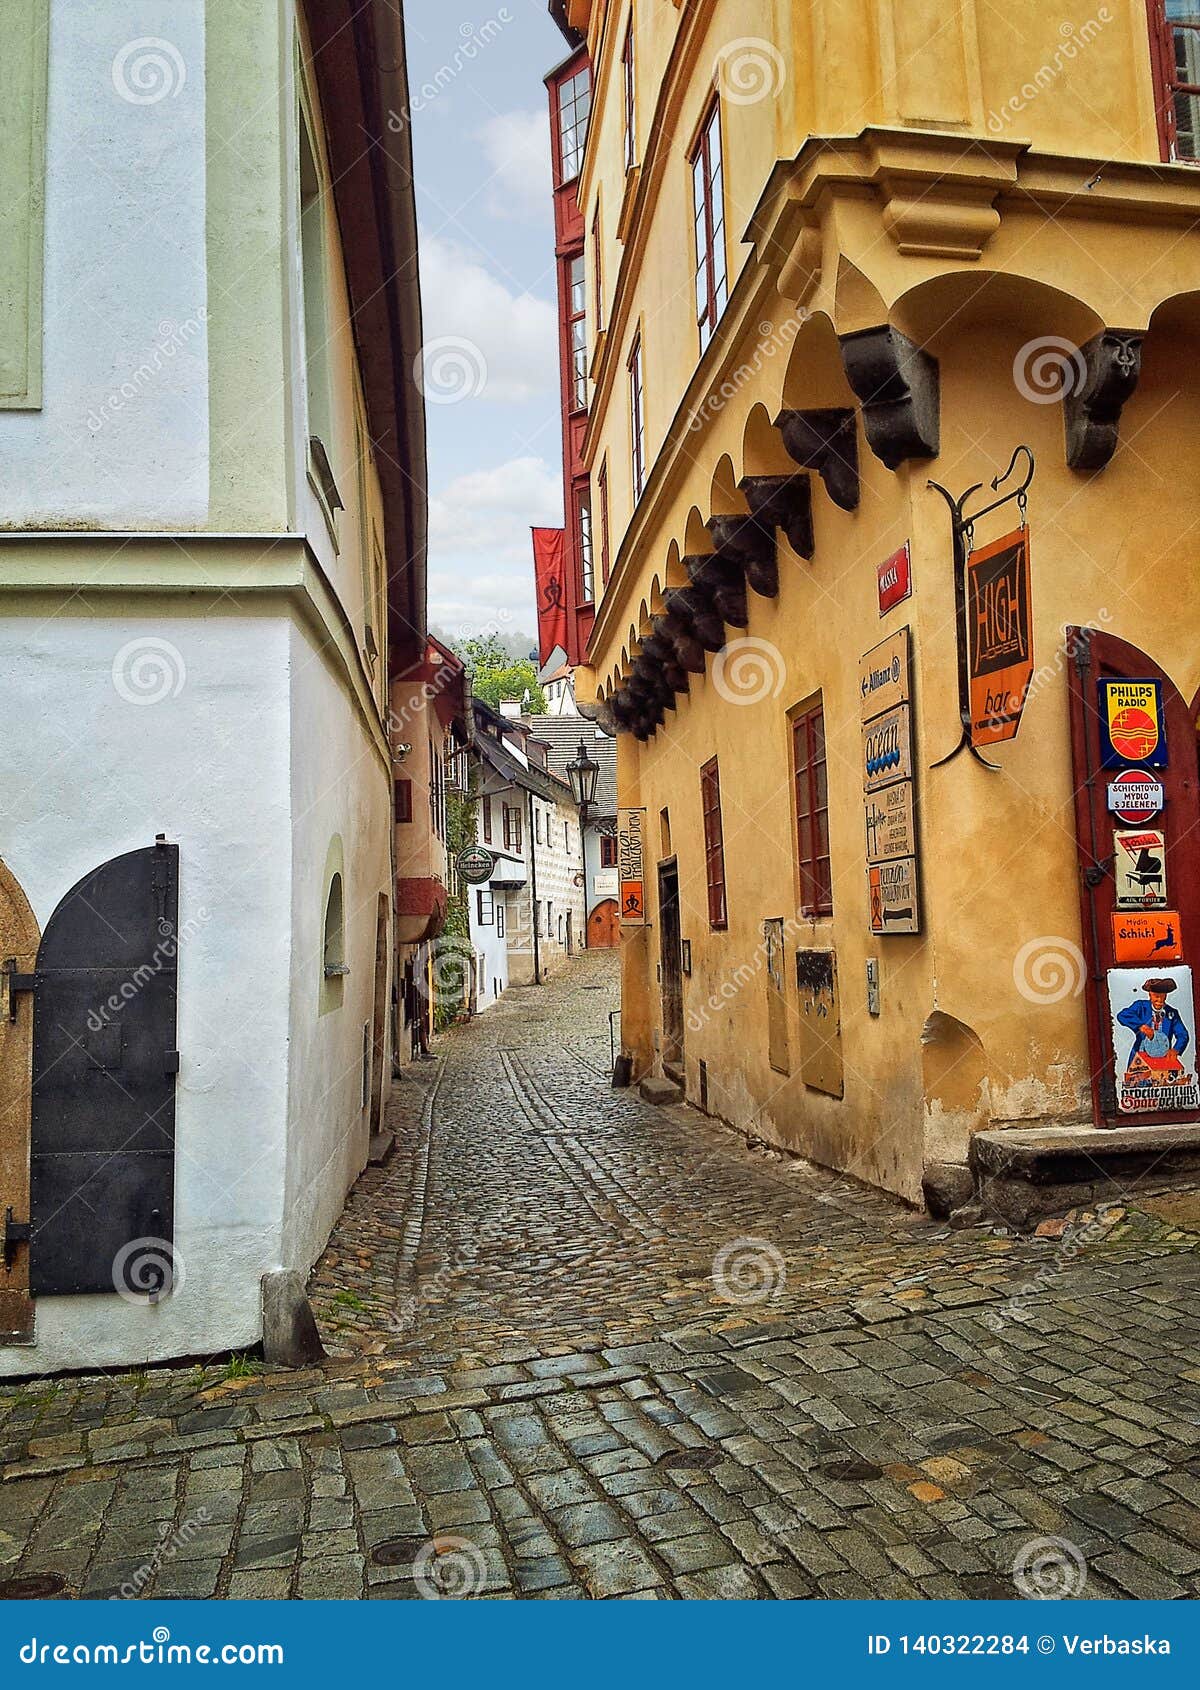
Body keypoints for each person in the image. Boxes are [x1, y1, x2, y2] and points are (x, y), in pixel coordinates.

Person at [1116, 976, 1190, 1061]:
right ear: (1150, 995)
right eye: (1156, 996)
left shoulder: (1172, 1013)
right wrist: (1140, 1025)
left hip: (1163, 1057)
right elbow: (1122, 1015)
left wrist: (1176, 1050)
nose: (1160, 1000)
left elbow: (1183, 1035)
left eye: (1163, 997)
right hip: (1140, 1056)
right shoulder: (1140, 1006)